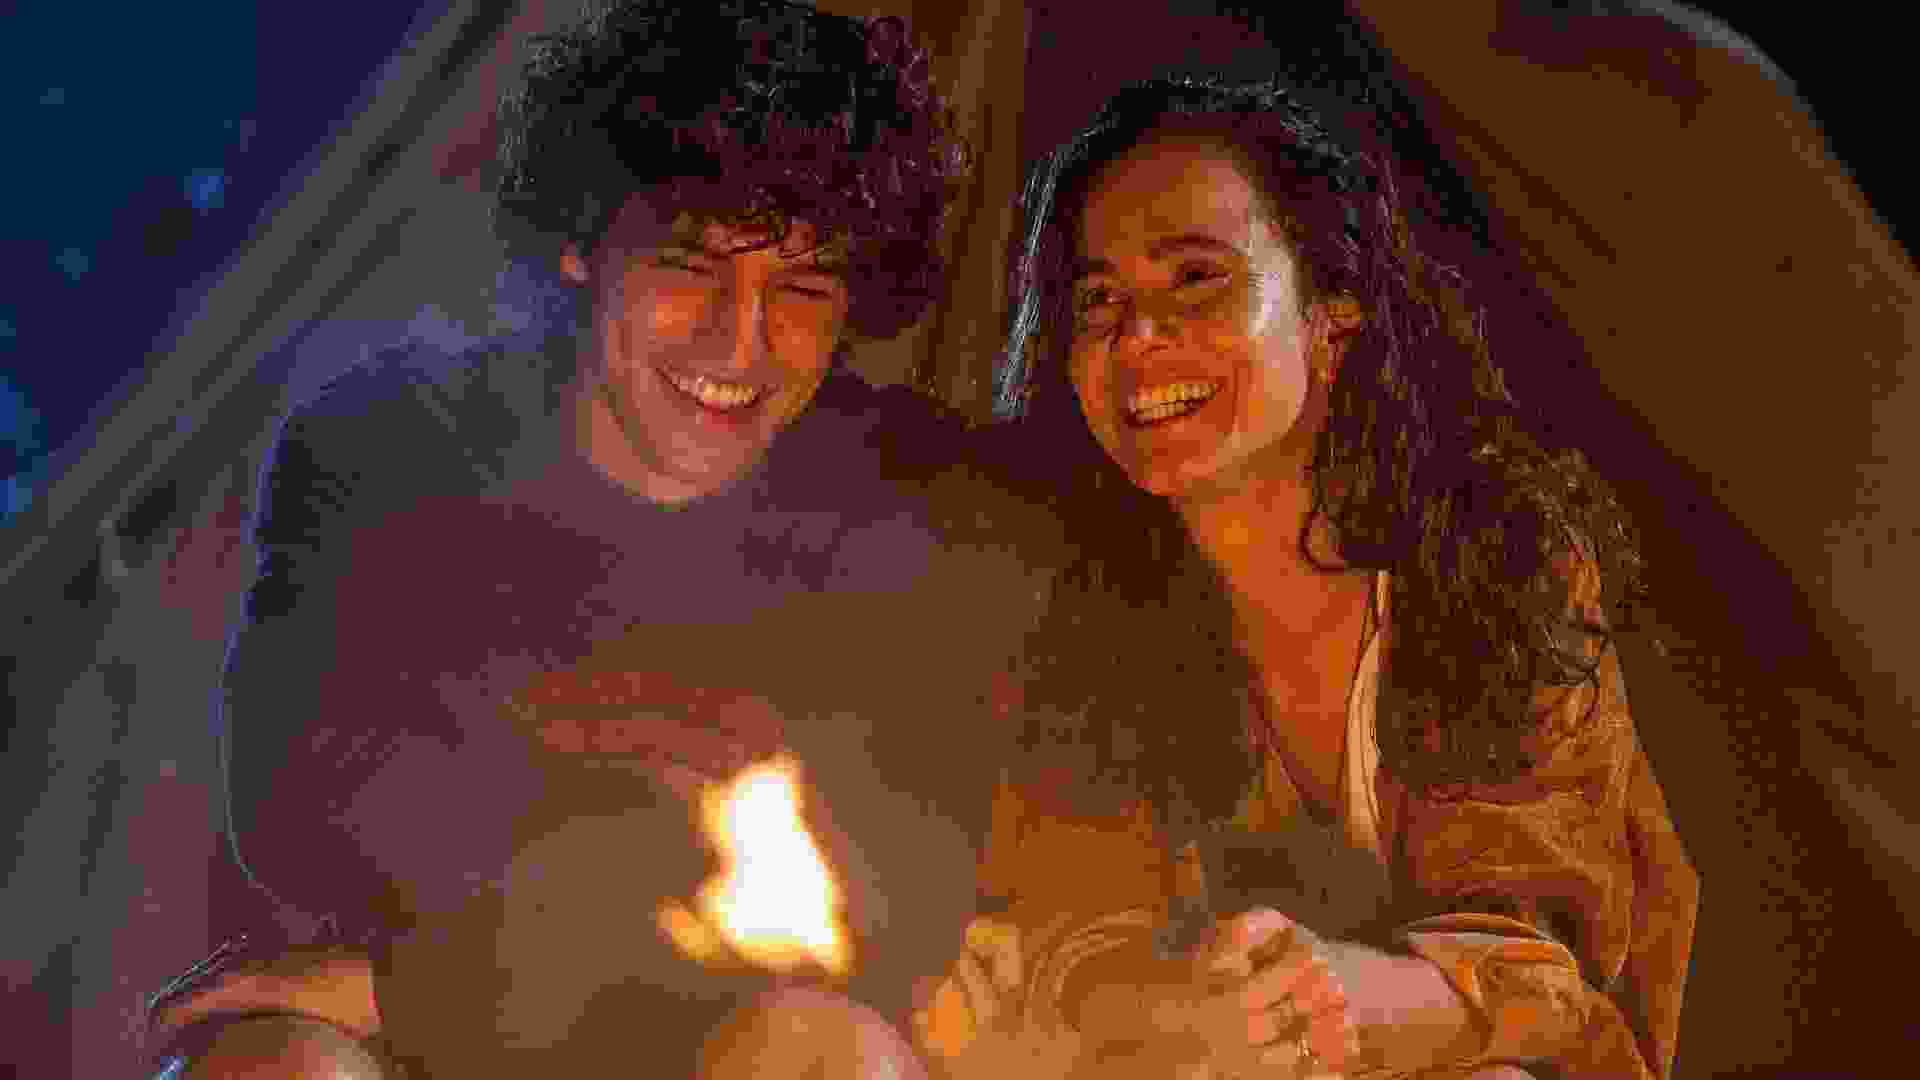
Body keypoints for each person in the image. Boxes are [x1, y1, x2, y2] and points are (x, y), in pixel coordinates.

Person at [141, 2, 1051, 1076]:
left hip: (687, 1034)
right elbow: (304, 820)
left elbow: (892, 915)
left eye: (803, 286)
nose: (741, 339)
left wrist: (421, 979)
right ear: (582, 245)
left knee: (831, 1051)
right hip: (418, 1048)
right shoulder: (383, 445)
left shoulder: (920, 501)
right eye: (689, 265)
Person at [913, 75, 1698, 1080]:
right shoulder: (1070, 597)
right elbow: (1072, 923)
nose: (1138, 337)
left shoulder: (1499, 561)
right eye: (1100, 299)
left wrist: (1349, 997)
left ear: (1333, 318)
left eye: (1195, 278)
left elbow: (1553, 968)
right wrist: (1178, 1006)